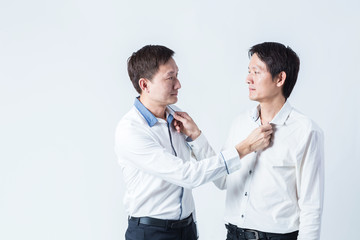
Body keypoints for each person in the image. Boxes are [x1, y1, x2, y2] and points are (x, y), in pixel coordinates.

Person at [114, 45, 273, 240]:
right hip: (151, 233)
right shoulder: (131, 130)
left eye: (177, 75)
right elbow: (187, 175)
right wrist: (245, 147)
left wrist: (195, 135)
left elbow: (217, 178)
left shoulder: (176, 116)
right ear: (145, 85)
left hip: (186, 229)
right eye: (170, 77)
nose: (178, 84)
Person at [215, 42, 324, 240]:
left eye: (256, 72)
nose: (248, 79)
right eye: (249, 71)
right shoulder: (240, 123)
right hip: (233, 234)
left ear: (280, 78)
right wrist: (195, 138)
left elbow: (311, 206)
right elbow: (221, 180)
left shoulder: (306, 130)